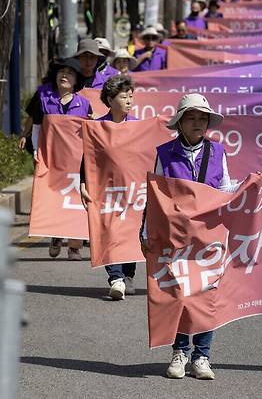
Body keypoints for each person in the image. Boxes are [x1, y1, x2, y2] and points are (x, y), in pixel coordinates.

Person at [140, 93, 239, 380]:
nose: (197, 123)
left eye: (202, 118)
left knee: (207, 295)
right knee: (180, 293)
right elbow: (155, 194)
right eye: (191, 118)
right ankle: (179, 352)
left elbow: (223, 188)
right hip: (176, 235)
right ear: (179, 123)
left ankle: (202, 357)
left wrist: (246, 187)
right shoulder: (164, 153)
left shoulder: (218, 152)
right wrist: (146, 231)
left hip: (209, 235)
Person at [19, 58, 92, 261]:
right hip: (53, 160)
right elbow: (37, 128)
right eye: (61, 72)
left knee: (77, 201)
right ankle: (56, 235)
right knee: (55, 197)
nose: (64, 75)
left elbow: (90, 133)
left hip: (77, 163)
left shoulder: (84, 104)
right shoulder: (44, 99)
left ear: (76, 79)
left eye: (70, 73)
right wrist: (36, 150)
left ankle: (75, 247)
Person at [79, 75, 138, 300]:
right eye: (124, 96)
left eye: (131, 96)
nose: (129, 101)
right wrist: (83, 183)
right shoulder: (97, 128)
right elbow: (88, 158)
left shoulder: (139, 126)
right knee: (107, 231)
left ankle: (128, 274)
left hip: (133, 191)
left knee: (130, 231)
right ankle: (115, 277)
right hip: (105, 191)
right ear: (110, 100)